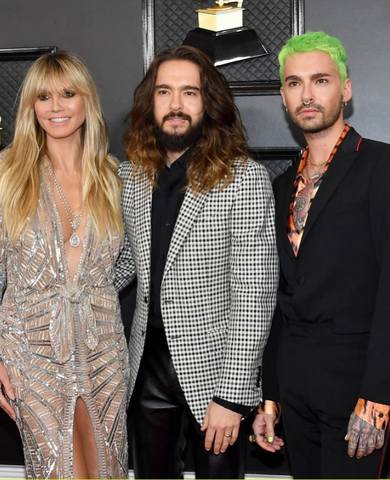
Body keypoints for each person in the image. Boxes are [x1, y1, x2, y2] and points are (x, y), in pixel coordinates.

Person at [115, 45, 278, 479]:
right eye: (165, 92)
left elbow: (255, 295)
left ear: (208, 102)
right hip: (145, 365)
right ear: (150, 103)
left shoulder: (243, 178)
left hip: (216, 371)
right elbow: (122, 263)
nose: (176, 105)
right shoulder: (131, 177)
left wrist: (232, 396)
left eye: (190, 93)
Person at [252, 31, 390, 478]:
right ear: (283, 97)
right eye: (294, 83)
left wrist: (379, 395)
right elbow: (274, 297)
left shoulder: (382, 167)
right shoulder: (277, 186)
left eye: (320, 81)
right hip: (295, 386)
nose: (307, 94)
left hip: (358, 387)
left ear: (345, 90)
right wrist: (270, 395)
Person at [0, 51, 129, 479]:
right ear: (30, 107)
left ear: (86, 100)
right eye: (43, 97)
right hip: (32, 351)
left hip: (104, 351)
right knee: (59, 470)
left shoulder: (114, 177)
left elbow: (126, 266)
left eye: (67, 94)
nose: (55, 107)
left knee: (105, 469)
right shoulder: (8, 174)